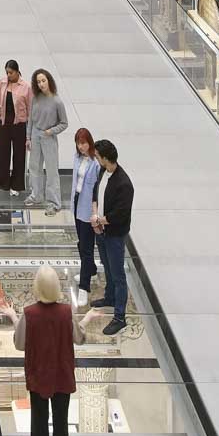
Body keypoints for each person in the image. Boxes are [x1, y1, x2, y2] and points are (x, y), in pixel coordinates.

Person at [6, 265, 85, 436]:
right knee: (61, 423)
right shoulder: (66, 312)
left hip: (38, 375)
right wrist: (85, 321)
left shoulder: (29, 313)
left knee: (38, 421)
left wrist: (14, 318)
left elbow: (20, 343)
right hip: (62, 376)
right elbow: (78, 338)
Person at [91, 139, 134, 335]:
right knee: (107, 268)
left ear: (106, 159)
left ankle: (120, 317)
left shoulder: (124, 184)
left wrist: (101, 220)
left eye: (98, 157)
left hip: (114, 234)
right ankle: (109, 297)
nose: (96, 160)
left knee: (118, 276)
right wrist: (94, 214)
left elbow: (121, 214)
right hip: (101, 230)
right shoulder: (102, 172)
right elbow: (95, 192)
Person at [26, 70, 68, 211]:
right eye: (38, 82)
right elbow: (31, 119)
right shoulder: (35, 98)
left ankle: (54, 202)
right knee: (34, 167)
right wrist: (28, 137)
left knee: (51, 170)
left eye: (43, 80)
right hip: (35, 135)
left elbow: (64, 123)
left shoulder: (57, 101)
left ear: (49, 80)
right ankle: (36, 195)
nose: (41, 84)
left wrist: (51, 131)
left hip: (49, 137)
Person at [70, 129, 103, 304]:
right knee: (81, 243)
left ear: (90, 142)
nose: (81, 146)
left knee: (87, 247)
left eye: (84, 142)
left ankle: (84, 286)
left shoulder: (96, 164)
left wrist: (95, 212)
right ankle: (89, 270)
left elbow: (96, 191)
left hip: (88, 208)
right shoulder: (76, 158)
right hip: (76, 203)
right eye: (78, 143)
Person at [0, 60, 31, 197]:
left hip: (19, 125)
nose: (8, 75)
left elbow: (30, 108)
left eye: (11, 72)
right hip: (4, 124)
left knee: (19, 156)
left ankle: (16, 185)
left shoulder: (26, 87)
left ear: (17, 71)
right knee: (2, 154)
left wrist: (29, 132)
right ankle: (1, 183)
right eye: (7, 72)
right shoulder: (1, 83)